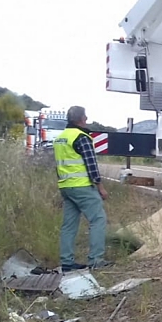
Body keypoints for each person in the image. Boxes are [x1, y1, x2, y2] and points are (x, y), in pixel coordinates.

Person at [54, 106, 111, 271]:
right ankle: (95, 260)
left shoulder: (60, 138)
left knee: (68, 225)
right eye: (85, 116)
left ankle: (66, 262)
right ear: (81, 119)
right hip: (82, 186)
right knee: (98, 219)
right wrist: (100, 187)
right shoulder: (81, 137)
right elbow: (91, 164)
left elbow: (58, 166)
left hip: (65, 186)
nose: (86, 119)